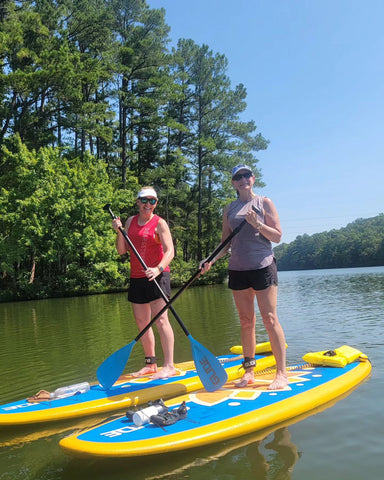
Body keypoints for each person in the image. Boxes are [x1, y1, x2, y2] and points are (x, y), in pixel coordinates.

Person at [200, 164, 288, 389]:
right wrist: (210, 260)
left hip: (263, 266)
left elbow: (277, 236)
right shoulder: (229, 208)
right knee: (246, 321)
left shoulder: (264, 202)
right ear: (233, 183)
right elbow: (225, 242)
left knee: (269, 318)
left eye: (246, 175)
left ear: (253, 178)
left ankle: (281, 373)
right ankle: (249, 371)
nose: (243, 179)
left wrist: (257, 223)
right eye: (238, 177)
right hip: (238, 269)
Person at [112, 186, 177, 379]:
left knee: (162, 320)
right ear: (138, 202)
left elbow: (170, 251)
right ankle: (150, 364)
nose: (148, 204)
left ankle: (169, 365)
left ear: (156, 203)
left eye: (152, 201)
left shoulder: (160, 223)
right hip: (137, 277)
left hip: (157, 275)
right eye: (145, 200)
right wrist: (119, 232)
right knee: (142, 323)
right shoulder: (130, 221)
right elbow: (121, 251)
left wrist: (157, 268)